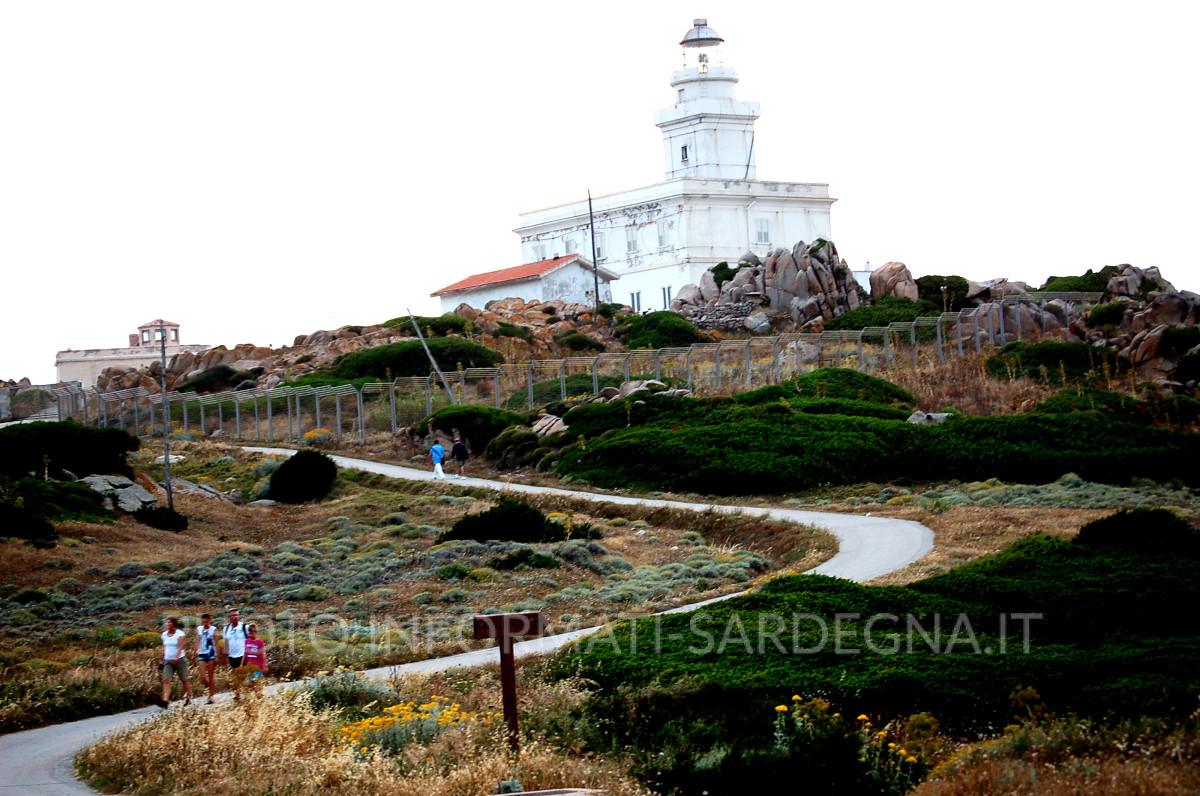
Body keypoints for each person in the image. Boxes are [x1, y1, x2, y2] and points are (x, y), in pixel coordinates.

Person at [158, 616, 191, 708]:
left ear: (174, 624)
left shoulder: (179, 634)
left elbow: (180, 647)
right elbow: (165, 648)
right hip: (168, 660)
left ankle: (188, 697)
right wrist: (162, 659)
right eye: (167, 622)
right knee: (166, 680)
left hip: (179, 659)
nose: (167, 624)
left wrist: (176, 657)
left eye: (169, 622)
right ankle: (165, 700)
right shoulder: (164, 635)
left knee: (184, 679)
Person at [195, 613, 218, 704]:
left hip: (211, 654)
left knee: (211, 675)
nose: (205, 624)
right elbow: (197, 640)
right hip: (202, 653)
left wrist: (217, 655)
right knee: (203, 677)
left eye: (207, 622)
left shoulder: (213, 629)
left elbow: (216, 643)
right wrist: (195, 652)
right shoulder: (199, 629)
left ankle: (211, 696)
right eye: (203, 622)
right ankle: (212, 688)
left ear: (210, 621)